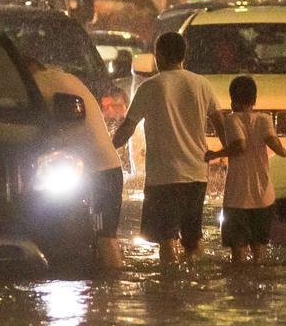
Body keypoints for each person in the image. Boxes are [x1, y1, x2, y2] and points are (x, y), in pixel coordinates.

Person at [112, 32, 225, 265]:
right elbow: (221, 124)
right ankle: (195, 282)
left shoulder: (150, 87)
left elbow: (128, 128)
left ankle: (170, 288)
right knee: (193, 240)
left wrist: (106, 148)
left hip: (163, 178)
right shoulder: (201, 84)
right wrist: (229, 152)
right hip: (196, 175)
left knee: (167, 240)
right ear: (183, 55)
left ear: (159, 55)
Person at [28, 58, 125, 270]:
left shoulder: (38, 83)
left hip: (97, 172)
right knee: (104, 237)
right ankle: (107, 291)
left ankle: (112, 284)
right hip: (105, 169)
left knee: (104, 238)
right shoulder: (65, 77)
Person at [206, 76, 286, 264]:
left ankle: (241, 291)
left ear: (232, 100)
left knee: (238, 256)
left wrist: (215, 154)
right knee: (260, 254)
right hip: (264, 197)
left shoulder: (232, 120)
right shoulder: (265, 119)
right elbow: (277, 148)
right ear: (254, 100)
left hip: (238, 199)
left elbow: (240, 146)